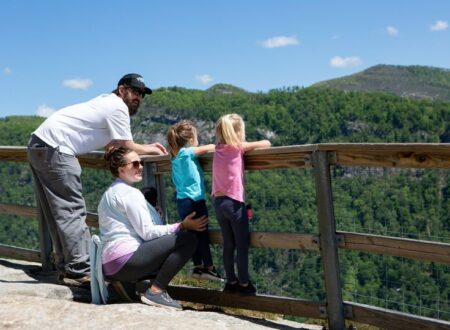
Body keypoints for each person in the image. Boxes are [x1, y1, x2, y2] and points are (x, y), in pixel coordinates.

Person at [27, 73, 166, 287]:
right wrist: (152, 148)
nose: (138, 97)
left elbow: (111, 140)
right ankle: (80, 270)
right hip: (57, 149)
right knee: (71, 211)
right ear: (122, 90)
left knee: (56, 212)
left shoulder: (104, 102)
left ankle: (66, 267)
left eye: (141, 94)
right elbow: (127, 144)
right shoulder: (118, 107)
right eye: (134, 91)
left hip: (38, 144)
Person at [98, 146, 207, 310]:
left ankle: (124, 283)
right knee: (187, 240)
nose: (140, 166)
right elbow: (148, 233)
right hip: (126, 261)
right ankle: (156, 291)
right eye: (134, 164)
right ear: (121, 169)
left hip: (109, 265)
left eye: (140, 162)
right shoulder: (130, 194)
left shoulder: (109, 193)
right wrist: (181, 225)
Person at [212, 113, 271, 295]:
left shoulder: (217, 149)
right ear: (238, 132)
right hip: (234, 203)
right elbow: (266, 143)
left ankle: (230, 282)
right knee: (242, 245)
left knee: (228, 244)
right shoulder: (238, 147)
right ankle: (244, 284)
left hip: (218, 202)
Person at [167, 120, 222, 281]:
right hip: (195, 200)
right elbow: (210, 147)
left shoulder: (174, 156)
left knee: (192, 235)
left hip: (182, 201)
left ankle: (198, 266)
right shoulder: (187, 152)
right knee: (202, 234)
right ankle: (209, 267)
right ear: (191, 140)